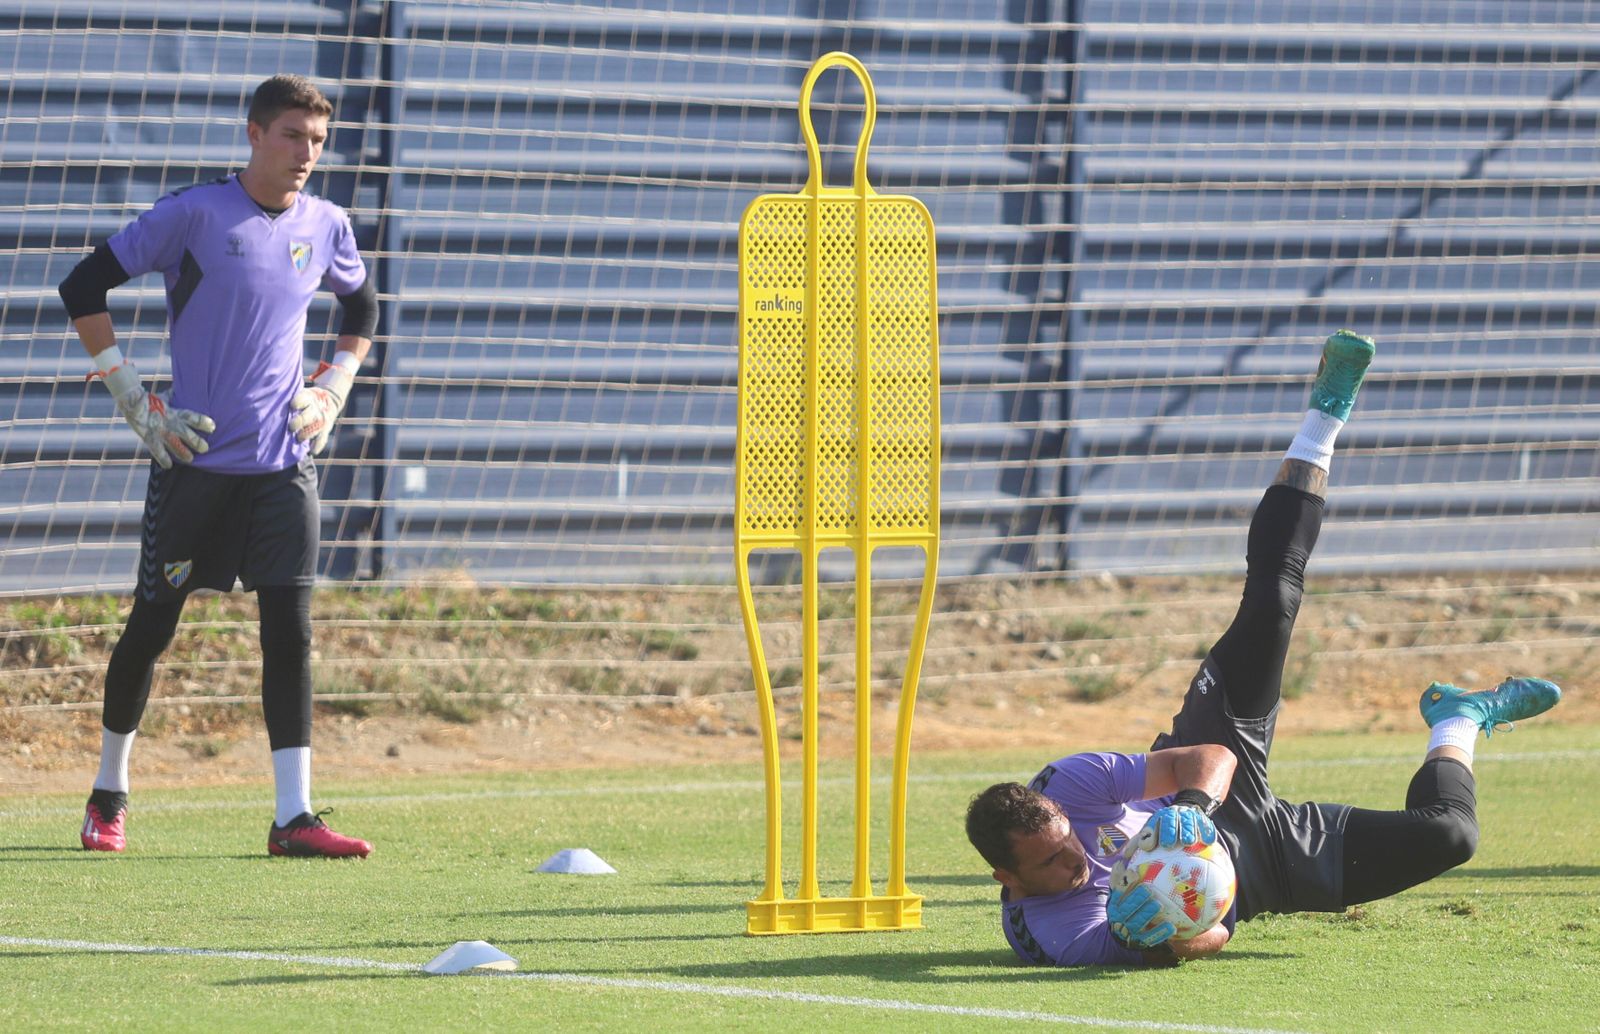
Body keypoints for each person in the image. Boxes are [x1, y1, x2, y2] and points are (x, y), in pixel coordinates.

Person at [963, 330, 1562, 965]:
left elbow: (1210, 756)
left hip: (1221, 801)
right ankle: (1458, 719)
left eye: (1066, 840)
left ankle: (1326, 413)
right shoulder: (1052, 934)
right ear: (1009, 880)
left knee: (1273, 604)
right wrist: (1171, 929)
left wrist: (1191, 808)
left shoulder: (1070, 783)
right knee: (1452, 835)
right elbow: (1213, 937)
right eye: (1053, 862)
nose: (1078, 858)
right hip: (1257, 874)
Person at [57, 74, 379, 858]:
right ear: (255, 134)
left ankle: (294, 817)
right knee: (152, 628)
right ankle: (108, 795)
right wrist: (131, 392)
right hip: (194, 464)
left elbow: (363, 310)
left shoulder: (328, 224)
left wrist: (333, 388)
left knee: (291, 633)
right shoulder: (194, 214)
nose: (307, 153)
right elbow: (82, 285)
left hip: (283, 467)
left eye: (318, 141)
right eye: (293, 136)